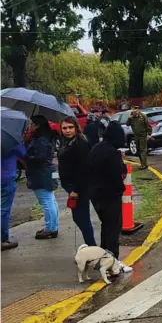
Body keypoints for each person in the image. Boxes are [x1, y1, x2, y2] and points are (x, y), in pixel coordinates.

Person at [89, 121, 132, 273]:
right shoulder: (113, 153)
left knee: (105, 227)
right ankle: (112, 263)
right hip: (110, 195)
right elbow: (119, 174)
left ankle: (103, 259)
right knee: (113, 229)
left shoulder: (95, 148)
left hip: (95, 196)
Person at [58, 116, 96, 246]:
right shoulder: (67, 142)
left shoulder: (80, 144)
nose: (67, 130)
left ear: (76, 128)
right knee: (79, 218)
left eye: (70, 127)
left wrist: (76, 190)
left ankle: (92, 248)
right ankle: (92, 246)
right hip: (71, 187)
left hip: (79, 188)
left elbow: (84, 170)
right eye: (64, 128)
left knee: (82, 219)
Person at [25, 116, 59, 239]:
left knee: (47, 201)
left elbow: (39, 158)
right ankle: (51, 226)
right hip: (44, 173)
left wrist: (25, 156)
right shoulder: (42, 139)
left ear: (38, 126)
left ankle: (50, 228)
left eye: (32, 124)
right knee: (50, 200)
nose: (30, 126)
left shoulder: (41, 141)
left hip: (41, 174)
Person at [1, 143, 26, 250]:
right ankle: (2, 239)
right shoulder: (10, 141)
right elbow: (24, 153)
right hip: (6, 178)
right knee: (4, 211)